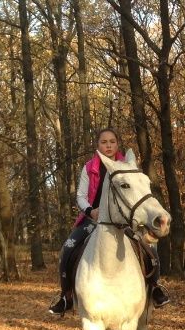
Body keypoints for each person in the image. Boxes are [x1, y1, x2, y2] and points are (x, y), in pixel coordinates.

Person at [48, 128, 170, 316]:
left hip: (123, 220)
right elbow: (80, 195)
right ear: (98, 145)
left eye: (112, 141)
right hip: (93, 220)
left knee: (150, 248)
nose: (108, 145)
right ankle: (66, 295)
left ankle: (154, 287)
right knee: (68, 247)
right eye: (104, 142)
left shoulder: (127, 165)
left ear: (117, 144)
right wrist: (91, 211)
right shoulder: (89, 167)